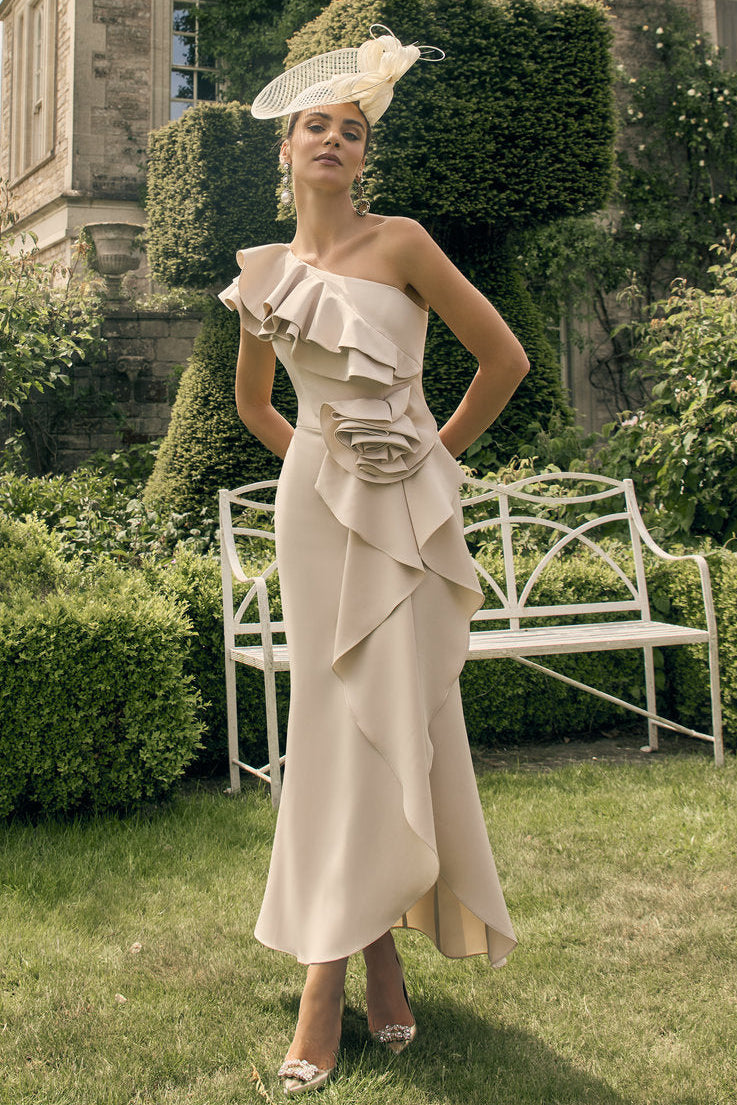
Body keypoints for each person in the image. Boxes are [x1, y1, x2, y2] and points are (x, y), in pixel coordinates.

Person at [219, 26, 529, 1096]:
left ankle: (337, 975)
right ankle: (360, 960)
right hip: (314, 515)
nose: (332, 141)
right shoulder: (263, 275)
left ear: (362, 158)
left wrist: (427, 455)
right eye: (317, 125)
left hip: (405, 513)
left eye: (351, 131)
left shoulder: (401, 242)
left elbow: (503, 358)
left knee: (389, 716)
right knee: (329, 720)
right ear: (286, 151)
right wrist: (323, 459)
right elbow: (256, 405)